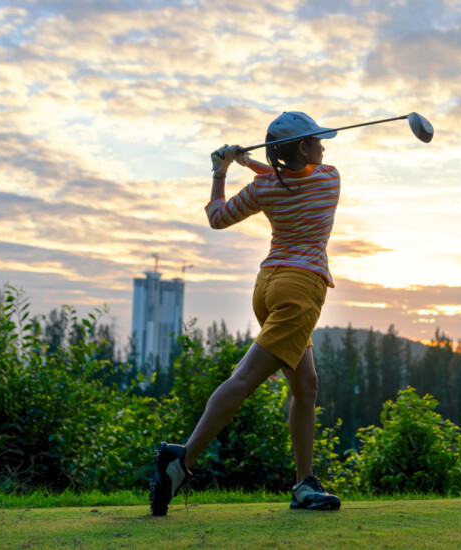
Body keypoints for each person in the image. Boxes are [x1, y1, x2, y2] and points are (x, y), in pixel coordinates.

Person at [150, 112, 342, 516]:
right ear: (304, 148)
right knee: (244, 380)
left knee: (306, 385)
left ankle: (304, 484)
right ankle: (181, 460)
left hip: (267, 287)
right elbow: (297, 173)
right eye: (317, 141)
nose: (324, 147)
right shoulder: (329, 179)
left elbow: (218, 217)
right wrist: (252, 162)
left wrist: (221, 170)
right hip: (300, 292)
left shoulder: (264, 188)